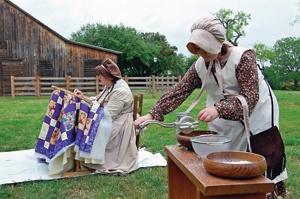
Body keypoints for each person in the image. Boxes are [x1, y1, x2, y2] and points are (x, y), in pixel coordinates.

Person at [134, 16, 287, 198]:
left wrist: (218, 109)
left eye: (205, 47)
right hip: (222, 115)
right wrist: (152, 114)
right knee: (227, 157)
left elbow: (250, 98)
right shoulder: (200, 64)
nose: (201, 53)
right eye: (197, 48)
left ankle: (265, 194)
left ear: (218, 42)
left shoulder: (243, 57)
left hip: (257, 114)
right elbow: (180, 90)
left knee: (259, 157)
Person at [74, 58, 138, 174]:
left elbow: (108, 116)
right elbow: (97, 101)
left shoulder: (120, 91)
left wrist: (89, 113)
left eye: (101, 75)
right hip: (110, 118)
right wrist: (83, 97)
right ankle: (82, 156)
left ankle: (91, 159)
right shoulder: (110, 86)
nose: (99, 78)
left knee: (90, 129)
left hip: (120, 124)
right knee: (84, 124)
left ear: (108, 77)